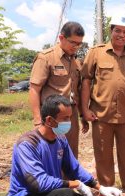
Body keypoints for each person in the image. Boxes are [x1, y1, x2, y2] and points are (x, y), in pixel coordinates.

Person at [7, 95, 122, 196]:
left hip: (50, 194)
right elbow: (38, 183)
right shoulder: (27, 144)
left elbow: (73, 168)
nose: (69, 122)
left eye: (70, 117)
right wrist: (74, 184)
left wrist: (99, 187)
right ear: (49, 120)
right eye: (65, 118)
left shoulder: (60, 139)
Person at [80, 15, 125, 194]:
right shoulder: (96, 52)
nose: (121, 35)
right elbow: (86, 81)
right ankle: (107, 191)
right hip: (101, 114)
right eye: (118, 31)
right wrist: (85, 109)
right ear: (111, 31)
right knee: (103, 156)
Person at [29, 21, 85, 158]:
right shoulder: (46, 57)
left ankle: (69, 179)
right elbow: (34, 89)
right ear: (61, 38)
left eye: (79, 43)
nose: (76, 47)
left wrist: (82, 116)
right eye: (73, 42)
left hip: (70, 115)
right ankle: (52, 179)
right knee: (50, 154)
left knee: (70, 154)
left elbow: (77, 92)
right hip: (51, 116)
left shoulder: (76, 62)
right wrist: (37, 120)